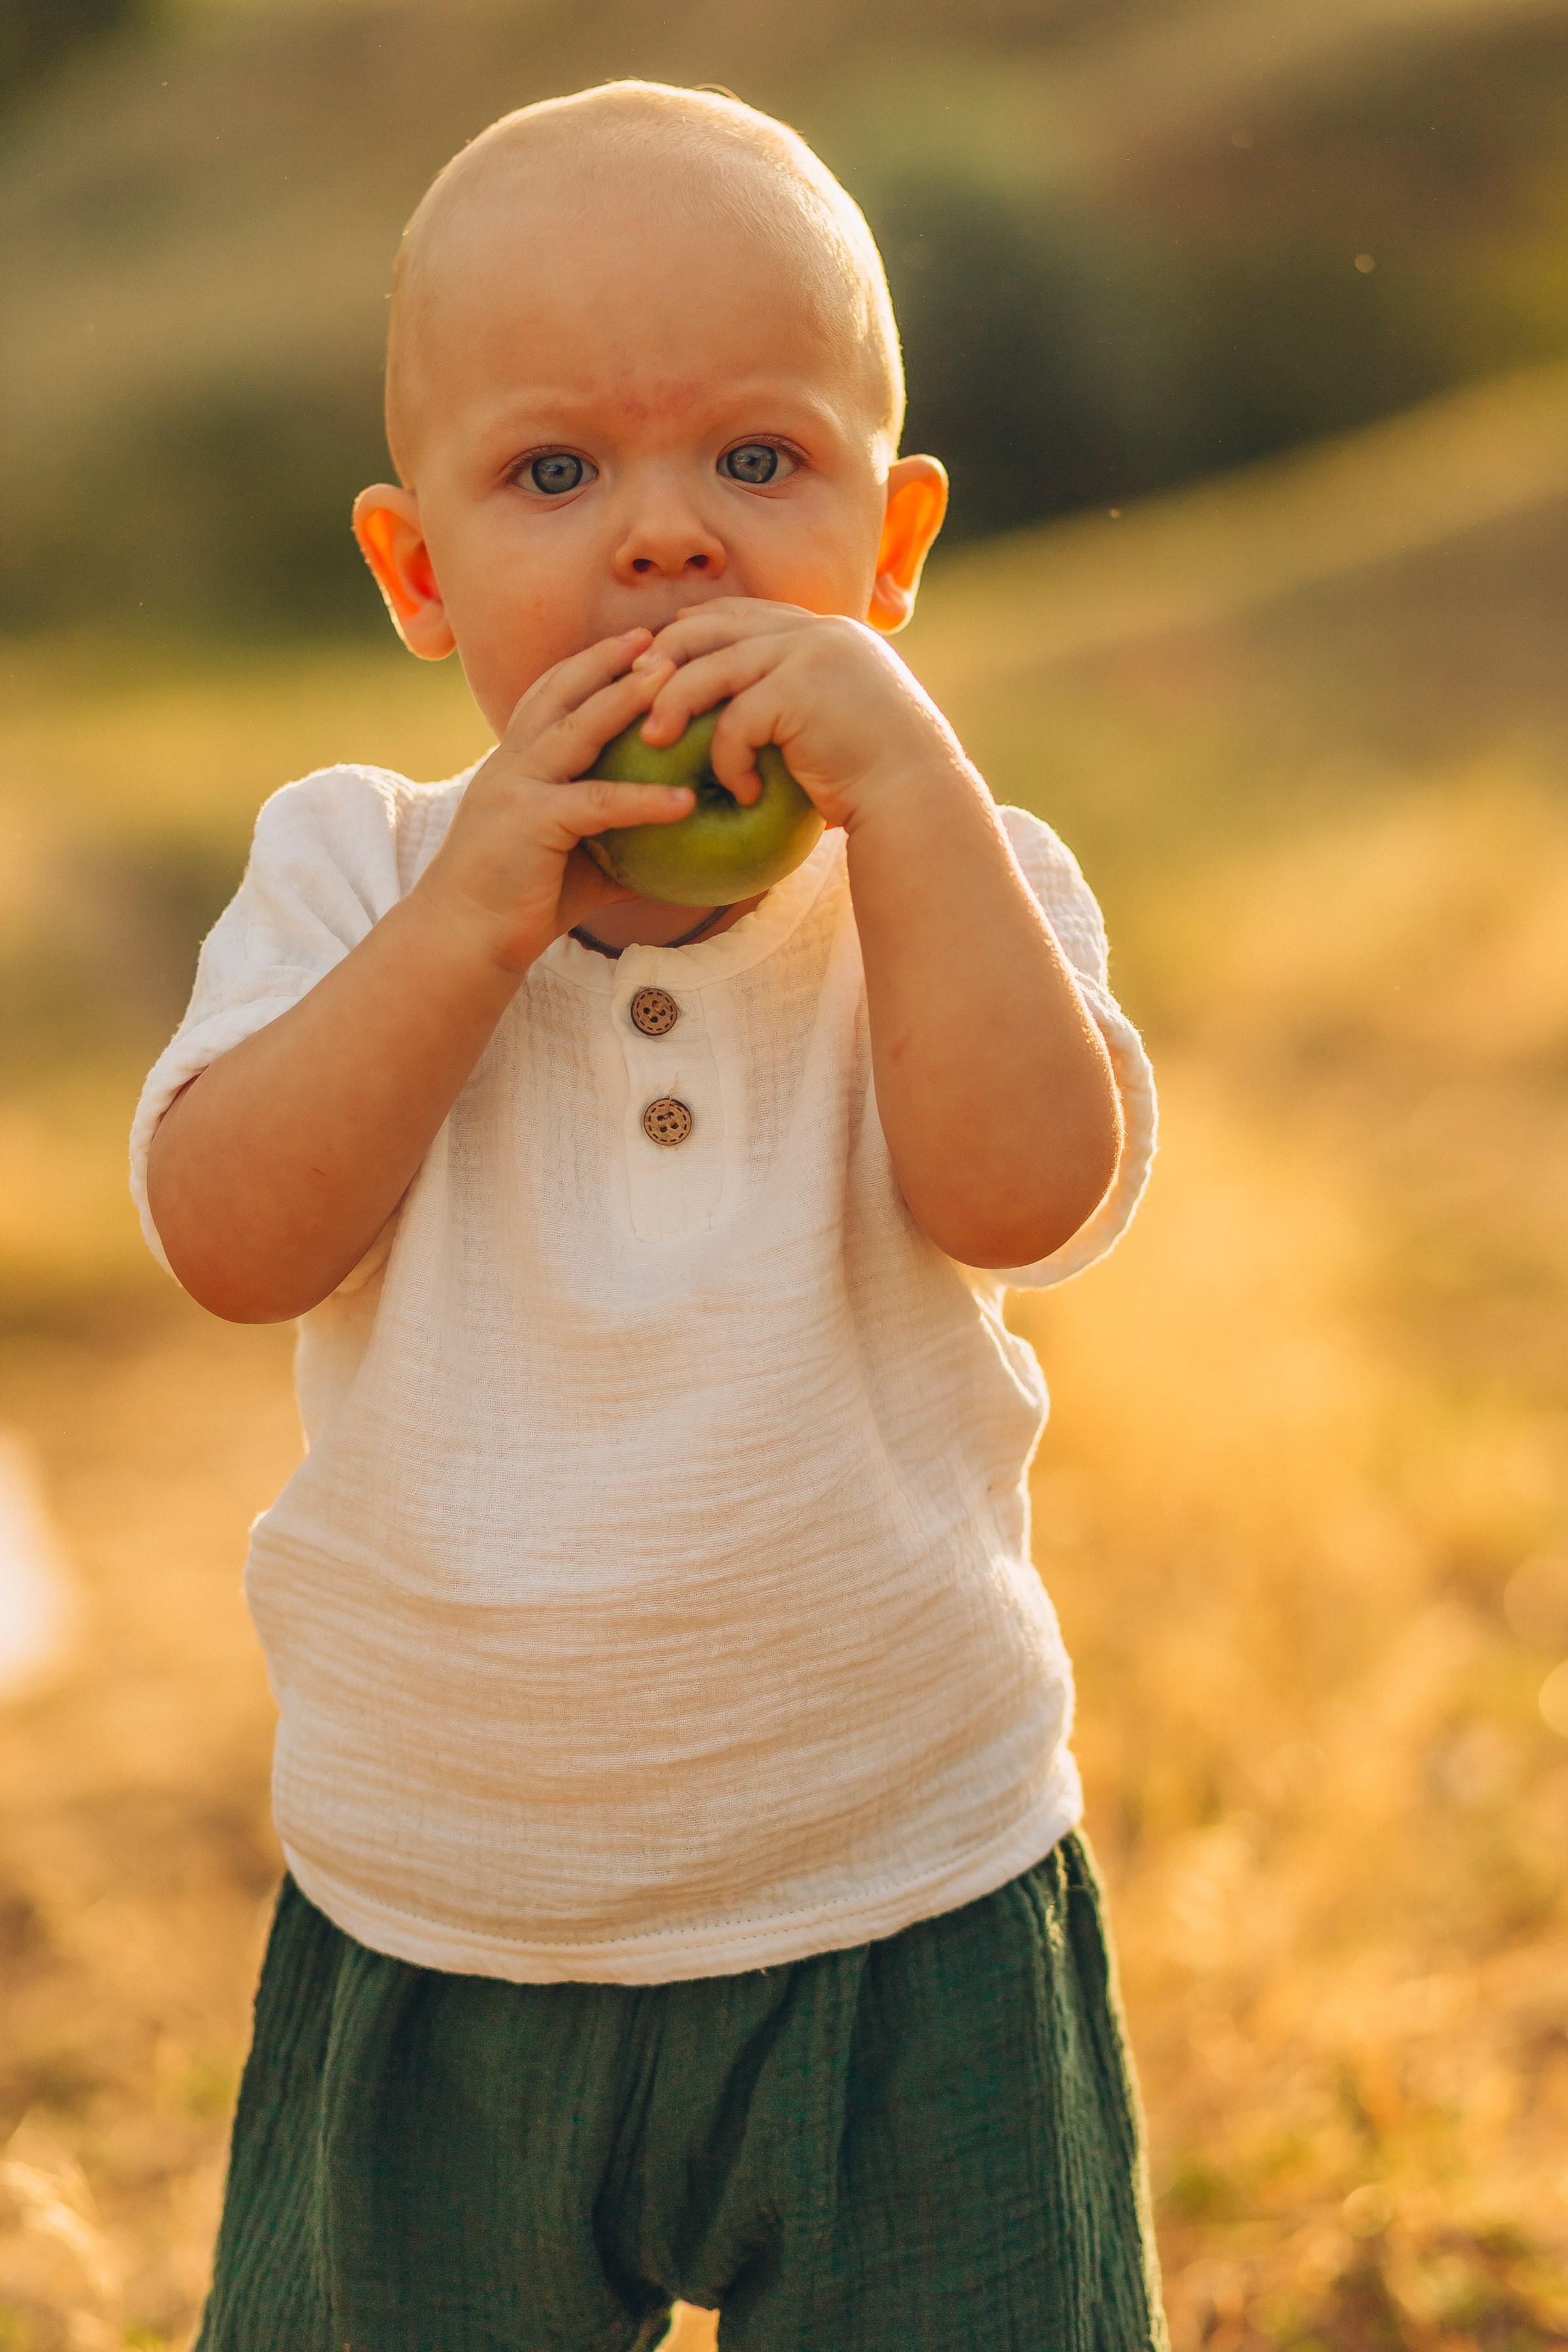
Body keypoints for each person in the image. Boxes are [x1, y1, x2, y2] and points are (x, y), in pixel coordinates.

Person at [131, 79, 1164, 2352]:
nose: (670, 541)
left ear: (893, 548)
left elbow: (1029, 1193)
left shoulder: (958, 878)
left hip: (911, 1891)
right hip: (442, 1917)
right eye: (555, 475)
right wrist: (466, 925)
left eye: (760, 461)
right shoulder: (355, 874)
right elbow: (228, 1240)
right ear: (418, 573)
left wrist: (915, 792)